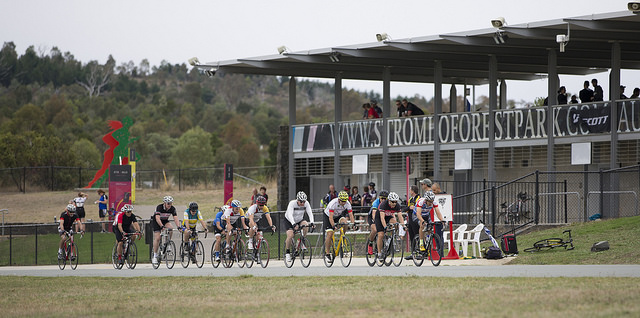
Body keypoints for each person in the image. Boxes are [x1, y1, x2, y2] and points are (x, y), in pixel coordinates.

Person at [323, 191, 355, 263]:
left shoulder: (347, 203)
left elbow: (351, 215)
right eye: (342, 201)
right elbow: (331, 217)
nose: (344, 203)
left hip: (337, 216)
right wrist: (333, 226)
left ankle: (342, 237)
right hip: (328, 216)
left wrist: (353, 224)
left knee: (345, 223)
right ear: (339, 200)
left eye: (345, 201)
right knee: (330, 234)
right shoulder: (333, 203)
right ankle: (327, 253)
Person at [284, 191, 315, 263]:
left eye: (304, 202)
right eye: (301, 202)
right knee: (290, 235)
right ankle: (287, 252)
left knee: (306, 225)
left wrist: (312, 222)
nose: (303, 203)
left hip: (299, 219)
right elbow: (290, 215)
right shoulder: (292, 203)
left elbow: (310, 213)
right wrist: (294, 224)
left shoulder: (306, 203)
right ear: (297, 200)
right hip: (289, 220)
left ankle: (301, 241)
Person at [374, 192, 405, 260]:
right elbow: (382, 218)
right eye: (393, 202)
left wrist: (403, 226)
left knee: (396, 224)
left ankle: (391, 238)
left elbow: (400, 217)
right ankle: (379, 253)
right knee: (381, 234)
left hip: (388, 216)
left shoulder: (397, 205)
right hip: (379, 218)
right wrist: (385, 227)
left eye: (395, 202)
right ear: (389, 201)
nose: (394, 203)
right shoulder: (383, 205)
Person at [151, 195, 181, 265]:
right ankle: (155, 256)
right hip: (156, 221)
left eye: (171, 203)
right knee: (157, 238)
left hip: (164, 221)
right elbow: (157, 218)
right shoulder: (159, 207)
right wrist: (161, 226)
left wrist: (178, 226)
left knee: (170, 228)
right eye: (168, 203)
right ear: (164, 203)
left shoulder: (172, 208)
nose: (169, 205)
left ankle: (168, 242)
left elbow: (175, 218)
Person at [366, 190, 388, 255]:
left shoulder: (387, 203)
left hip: (382, 217)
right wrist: (377, 223)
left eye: (385, 199)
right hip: (373, 217)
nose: (383, 200)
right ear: (379, 198)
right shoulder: (376, 202)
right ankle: (370, 243)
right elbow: (374, 214)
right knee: (375, 230)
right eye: (382, 198)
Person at [405, 185, 421, 260]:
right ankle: (413, 253)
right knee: (412, 237)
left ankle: (420, 251)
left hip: (416, 219)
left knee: (417, 235)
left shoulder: (419, 198)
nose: (409, 191)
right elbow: (405, 208)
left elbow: (419, 207)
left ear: (413, 191)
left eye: (410, 190)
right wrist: (409, 208)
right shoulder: (410, 199)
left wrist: (414, 208)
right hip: (410, 219)